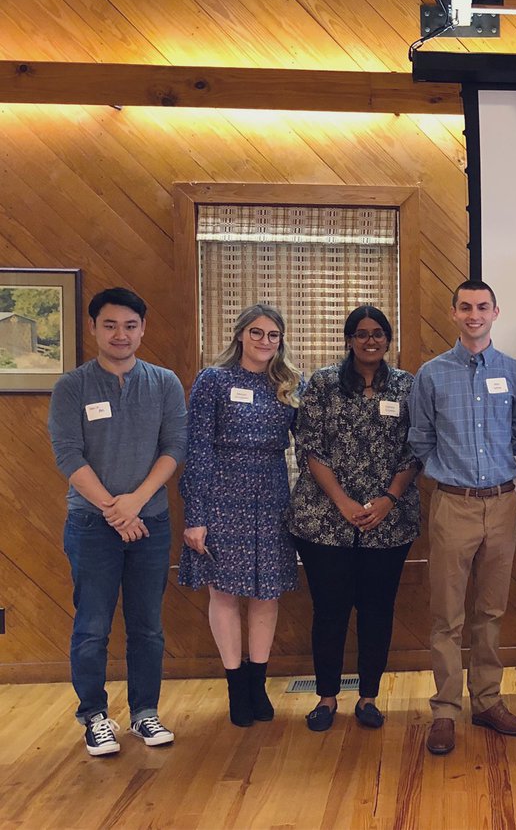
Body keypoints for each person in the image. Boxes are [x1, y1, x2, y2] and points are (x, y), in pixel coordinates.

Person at [48, 287, 187, 756]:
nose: (120, 334)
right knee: (92, 625)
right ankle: (95, 716)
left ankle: (145, 713)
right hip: (91, 526)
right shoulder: (73, 386)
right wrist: (114, 507)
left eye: (130, 325)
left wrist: (137, 503)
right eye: (110, 325)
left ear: (143, 329)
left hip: (150, 525)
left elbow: (174, 449)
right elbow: (68, 455)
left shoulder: (164, 382)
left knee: (147, 625)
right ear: (93, 329)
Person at [408, 280, 516, 756]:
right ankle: (445, 711)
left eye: (483, 307)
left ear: (496, 312)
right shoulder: (432, 375)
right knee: (447, 615)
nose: (474, 314)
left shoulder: (515, 372)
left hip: (502, 504)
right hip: (453, 504)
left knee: (492, 611)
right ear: (454, 313)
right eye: (466, 307)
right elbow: (420, 437)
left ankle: (487, 702)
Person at [288, 305, 420, 732]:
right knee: (329, 611)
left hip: (389, 522)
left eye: (378, 333)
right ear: (348, 340)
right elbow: (310, 447)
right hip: (325, 521)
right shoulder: (323, 384)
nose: (370, 341)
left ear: (388, 339)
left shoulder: (406, 386)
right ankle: (326, 697)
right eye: (361, 334)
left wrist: (388, 499)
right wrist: (344, 502)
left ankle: (368, 697)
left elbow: (416, 448)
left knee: (377, 610)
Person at [179, 304, 303, 727]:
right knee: (225, 594)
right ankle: (236, 686)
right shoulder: (213, 380)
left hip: (271, 493)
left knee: (266, 595)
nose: (265, 341)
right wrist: (195, 515)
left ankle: (258, 682)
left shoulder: (286, 384)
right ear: (239, 336)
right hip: (221, 494)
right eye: (256, 333)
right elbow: (196, 447)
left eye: (273, 335)